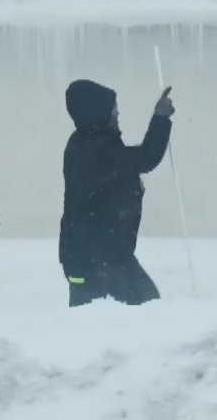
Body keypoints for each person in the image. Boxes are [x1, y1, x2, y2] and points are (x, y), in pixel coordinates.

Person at [59, 79, 176, 307]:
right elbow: (146, 157)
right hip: (99, 258)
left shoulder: (86, 144)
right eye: (113, 109)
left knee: (138, 308)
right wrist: (160, 118)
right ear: (98, 113)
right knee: (147, 309)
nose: (118, 113)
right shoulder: (95, 149)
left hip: (91, 254)